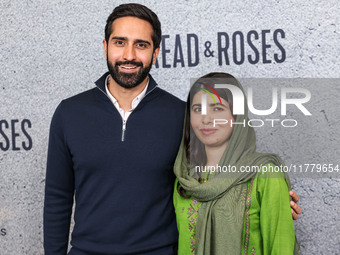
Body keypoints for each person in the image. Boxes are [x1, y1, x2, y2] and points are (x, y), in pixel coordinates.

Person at [44, 3, 301, 255]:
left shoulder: (182, 116)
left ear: (155, 53)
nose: (129, 55)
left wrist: (272, 199)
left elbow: (215, 176)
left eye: (141, 45)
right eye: (119, 42)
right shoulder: (69, 113)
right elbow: (58, 196)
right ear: (105, 47)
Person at [173, 72, 299, 255]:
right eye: (198, 109)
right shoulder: (184, 182)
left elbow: (281, 248)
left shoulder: (264, 175)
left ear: (237, 115)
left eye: (217, 108)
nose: (206, 119)